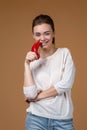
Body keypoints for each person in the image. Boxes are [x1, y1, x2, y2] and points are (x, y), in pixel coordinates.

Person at [23, 14, 76, 130]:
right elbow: (30, 94)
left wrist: (38, 97)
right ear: (33, 36)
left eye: (46, 33)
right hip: (35, 119)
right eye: (38, 34)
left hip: (62, 120)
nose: (42, 38)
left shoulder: (64, 53)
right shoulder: (32, 61)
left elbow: (65, 84)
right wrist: (26, 64)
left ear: (53, 33)